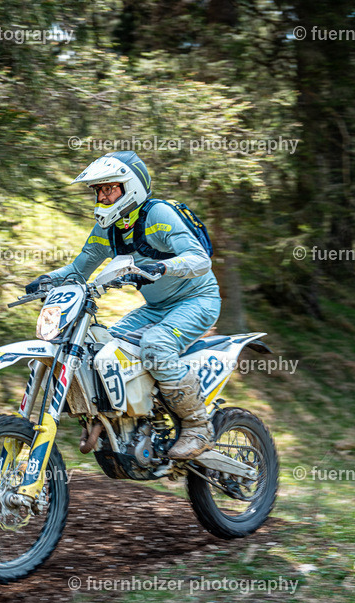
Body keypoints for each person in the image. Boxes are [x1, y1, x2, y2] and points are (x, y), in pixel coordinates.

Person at [25, 151, 221, 460]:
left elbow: (199, 259)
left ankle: (198, 426)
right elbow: (78, 270)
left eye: (109, 188)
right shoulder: (108, 228)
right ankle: (114, 419)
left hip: (197, 300)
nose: (102, 196)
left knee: (156, 345)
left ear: (130, 187)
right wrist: (46, 279)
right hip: (156, 307)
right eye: (99, 190)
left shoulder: (159, 215)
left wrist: (165, 267)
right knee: (101, 348)